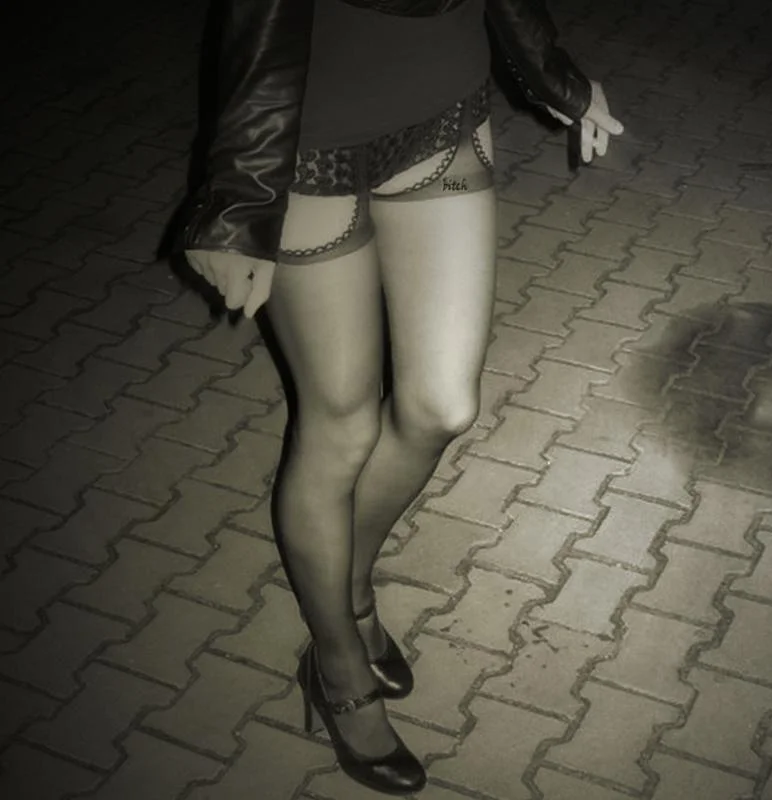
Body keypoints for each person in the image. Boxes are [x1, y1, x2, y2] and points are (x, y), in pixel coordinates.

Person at [176, 0, 623, 794]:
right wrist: (239, 197)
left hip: (443, 108)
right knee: (341, 428)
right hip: (308, 136)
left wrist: (558, 75)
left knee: (442, 405)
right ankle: (338, 666)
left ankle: (346, 589)